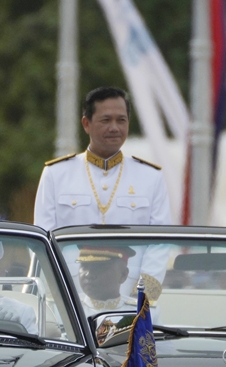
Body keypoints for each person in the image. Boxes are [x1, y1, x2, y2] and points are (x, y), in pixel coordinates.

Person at [34, 86, 172, 305]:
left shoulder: (150, 176)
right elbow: (44, 241)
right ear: (86, 124)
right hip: (70, 298)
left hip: (131, 299)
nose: (114, 128)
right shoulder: (56, 174)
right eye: (105, 120)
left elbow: (160, 243)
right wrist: (62, 298)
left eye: (121, 120)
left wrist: (144, 299)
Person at [74, 245, 138, 316]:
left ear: (123, 275)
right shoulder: (68, 308)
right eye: (84, 266)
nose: (88, 274)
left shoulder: (140, 312)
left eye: (99, 267)